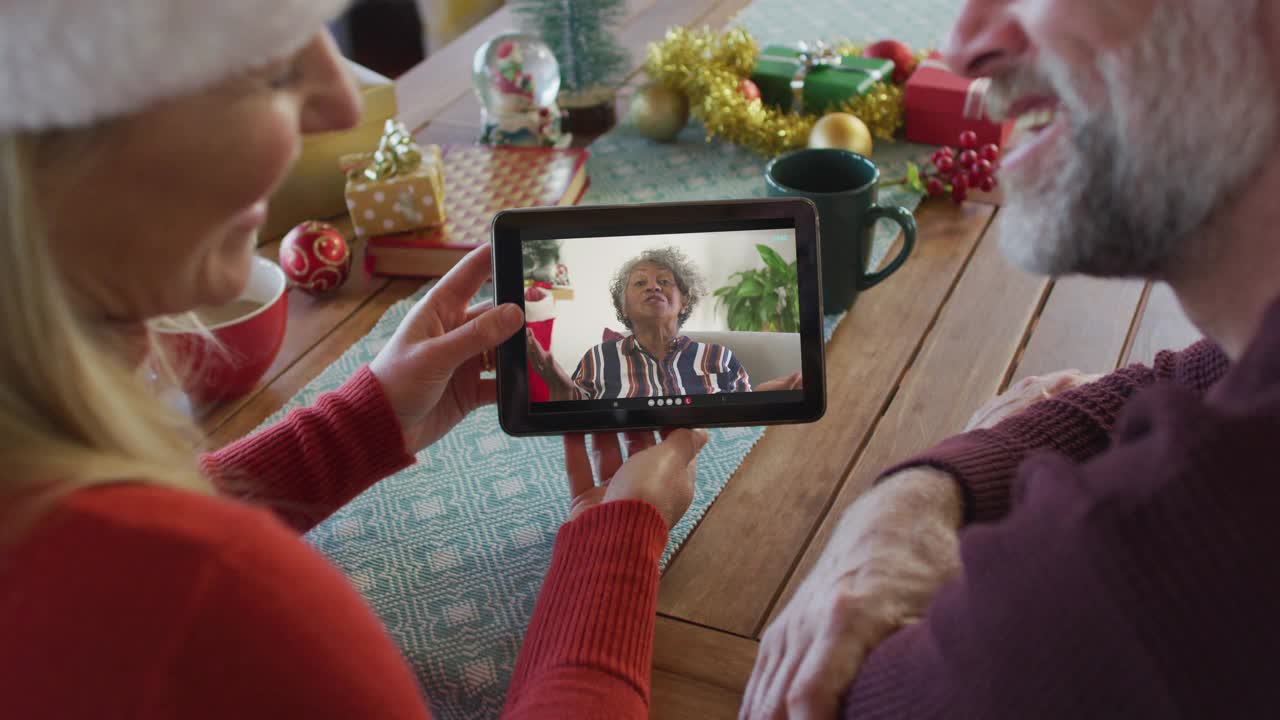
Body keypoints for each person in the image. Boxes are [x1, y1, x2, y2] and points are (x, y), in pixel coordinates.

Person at [0, 2, 706, 718]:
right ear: (50, 142)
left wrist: (351, 429)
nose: (342, 103)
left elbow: (123, 588)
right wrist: (617, 547)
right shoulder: (217, 593)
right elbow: (164, 591)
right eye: (271, 66)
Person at [729, 0, 1280, 717]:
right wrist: (917, 498)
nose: (960, 47)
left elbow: (833, 697)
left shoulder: (1114, 591)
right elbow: (1197, 379)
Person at [527, 247, 762, 400]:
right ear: (623, 307)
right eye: (640, 283)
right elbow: (575, 423)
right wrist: (559, 386)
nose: (653, 287)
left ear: (685, 301)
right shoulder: (597, 359)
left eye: (664, 281)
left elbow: (746, 427)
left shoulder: (720, 358)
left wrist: (766, 402)